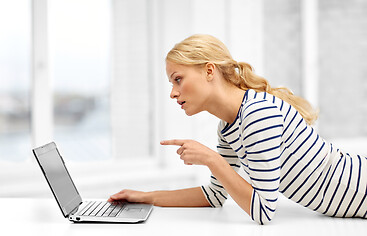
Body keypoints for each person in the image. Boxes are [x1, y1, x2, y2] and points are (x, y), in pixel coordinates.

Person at [108, 34, 367, 224]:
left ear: (209, 71)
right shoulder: (230, 126)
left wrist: (211, 158)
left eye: (178, 79)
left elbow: (264, 211)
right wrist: (146, 196)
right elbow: (214, 195)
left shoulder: (256, 114)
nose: (173, 93)